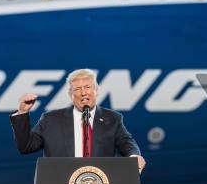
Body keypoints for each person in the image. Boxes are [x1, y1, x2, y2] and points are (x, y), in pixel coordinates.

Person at [10, 69, 146, 171]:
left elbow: (126, 143)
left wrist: (134, 156)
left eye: (87, 87)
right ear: (70, 94)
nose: (83, 92)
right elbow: (26, 147)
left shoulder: (112, 119)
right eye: (77, 89)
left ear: (96, 90)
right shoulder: (51, 120)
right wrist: (22, 112)